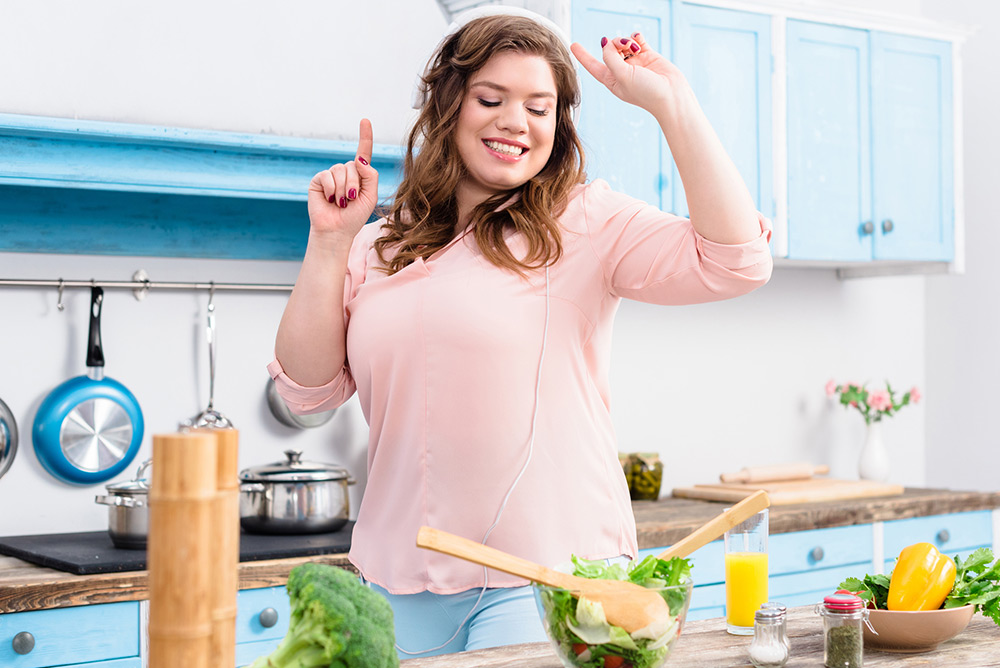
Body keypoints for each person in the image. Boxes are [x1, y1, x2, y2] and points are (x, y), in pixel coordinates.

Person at [268, 6, 772, 659]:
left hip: (546, 583)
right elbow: (307, 393)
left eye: (540, 107)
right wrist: (329, 243)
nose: (516, 121)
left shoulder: (585, 222)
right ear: (449, 104)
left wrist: (672, 104)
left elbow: (737, 261)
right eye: (492, 97)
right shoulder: (376, 246)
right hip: (394, 581)